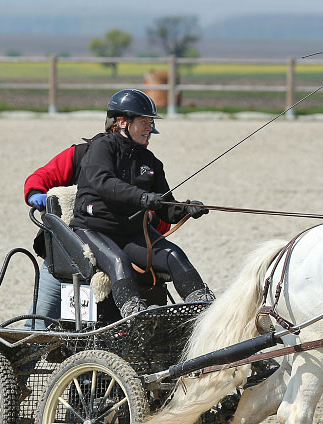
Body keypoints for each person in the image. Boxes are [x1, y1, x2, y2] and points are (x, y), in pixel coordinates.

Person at [71, 89, 214, 317]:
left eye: (151, 122)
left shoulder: (151, 161)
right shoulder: (102, 148)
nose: (150, 128)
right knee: (119, 262)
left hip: (131, 233)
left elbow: (166, 207)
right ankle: (135, 316)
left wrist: (186, 209)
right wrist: (142, 197)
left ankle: (205, 309)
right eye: (144, 122)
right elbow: (104, 182)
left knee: (174, 255)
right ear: (122, 122)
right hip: (94, 229)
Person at [22, 115, 174, 328]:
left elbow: (163, 219)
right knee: (40, 319)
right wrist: (35, 193)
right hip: (70, 250)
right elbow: (41, 177)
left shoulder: (145, 164)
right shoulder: (80, 153)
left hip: (122, 252)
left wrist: (150, 217)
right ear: (119, 126)